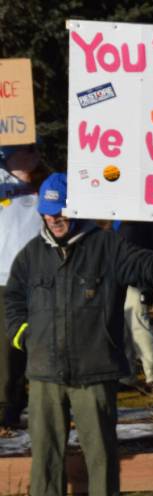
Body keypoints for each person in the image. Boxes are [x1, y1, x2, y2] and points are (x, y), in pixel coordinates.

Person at [4, 173, 153, 496]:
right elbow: (12, 300)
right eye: (49, 211)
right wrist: (23, 335)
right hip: (44, 371)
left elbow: (146, 265)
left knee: (99, 445)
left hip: (95, 366)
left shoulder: (105, 247)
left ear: (77, 209)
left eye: (61, 210)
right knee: (46, 447)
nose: (55, 218)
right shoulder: (30, 256)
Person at [0, 144, 46, 429]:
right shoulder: (3, 184)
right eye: (26, 150)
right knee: (7, 352)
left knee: (39, 346)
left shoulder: (47, 184)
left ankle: (38, 405)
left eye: (35, 149)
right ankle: (7, 408)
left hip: (42, 280)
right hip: (4, 280)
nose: (34, 155)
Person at [115, 220, 153, 389]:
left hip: (138, 277)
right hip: (115, 275)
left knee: (138, 323)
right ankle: (127, 375)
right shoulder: (113, 217)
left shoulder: (146, 216)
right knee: (120, 326)